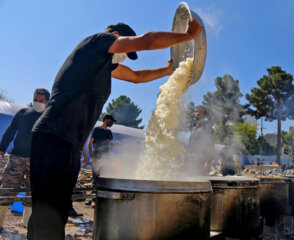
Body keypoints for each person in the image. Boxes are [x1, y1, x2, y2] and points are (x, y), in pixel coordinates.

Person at [28, 20, 202, 239]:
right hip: (53, 135)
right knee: (46, 216)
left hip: (68, 142)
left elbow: (137, 78)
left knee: (57, 213)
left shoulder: (102, 64)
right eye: (126, 51)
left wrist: (167, 71)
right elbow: (147, 41)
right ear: (117, 36)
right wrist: (188, 36)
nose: (123, 56)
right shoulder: (97, 42)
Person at [0, 88, 49, 229]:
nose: (37, 103)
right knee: (7, 188)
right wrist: (2, 147)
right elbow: (10, 130)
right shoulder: (23, 113)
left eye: (41, 101)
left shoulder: (49, 118)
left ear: (47, 102)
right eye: (35, 100)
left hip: (37, 161)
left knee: (33, 191)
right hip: (17, 158)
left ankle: (27, 223)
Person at [87, 114, 119, 186]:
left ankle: (103, 195)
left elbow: (109, 145)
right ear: (106, 120)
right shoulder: (96, 130)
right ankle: (94, 195)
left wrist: (115, 144)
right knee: (96, 178)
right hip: (97, 157)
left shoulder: (109, 132)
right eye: (111, 121)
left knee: (106, 177)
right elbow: (89, 144)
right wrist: (92, 157)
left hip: (106, 157)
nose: (111, 123)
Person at [187, 105, 215, 175]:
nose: (197, 113)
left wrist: (208, 161)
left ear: (205, 115)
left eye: (200, 111)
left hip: (202, 161)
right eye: (196, 111)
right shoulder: (193, 128)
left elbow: (211, 145)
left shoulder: (208, 128)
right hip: (191, 160)